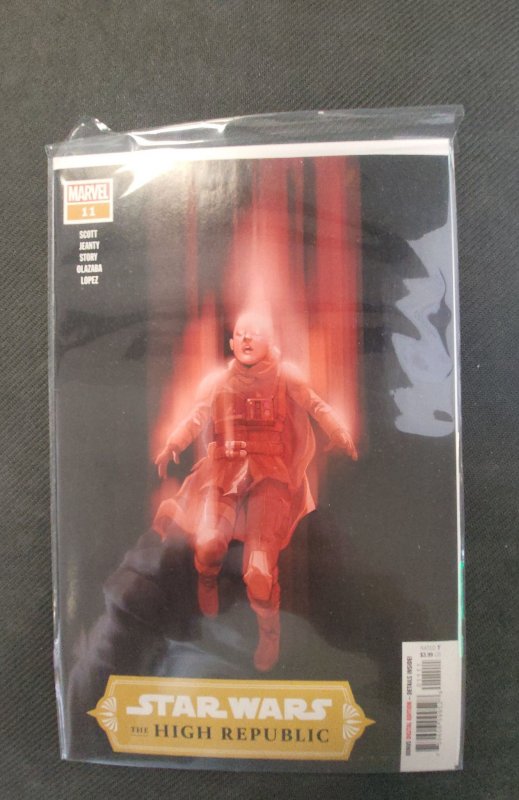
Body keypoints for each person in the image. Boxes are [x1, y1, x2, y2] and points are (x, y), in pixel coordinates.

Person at [153, 311, 357, 671]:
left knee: (259, 569)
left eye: (255, 333)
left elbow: (315, 405)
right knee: (209, 545)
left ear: (270, 339)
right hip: (223, 472)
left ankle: (269, 632)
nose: (247, 339)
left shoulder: (285, 376)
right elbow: (197, 416)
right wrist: (174, 443)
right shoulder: (218, 382)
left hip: (270, 476)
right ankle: (206, 579)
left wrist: (338, 432)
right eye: (241, 333)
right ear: (232, 343)